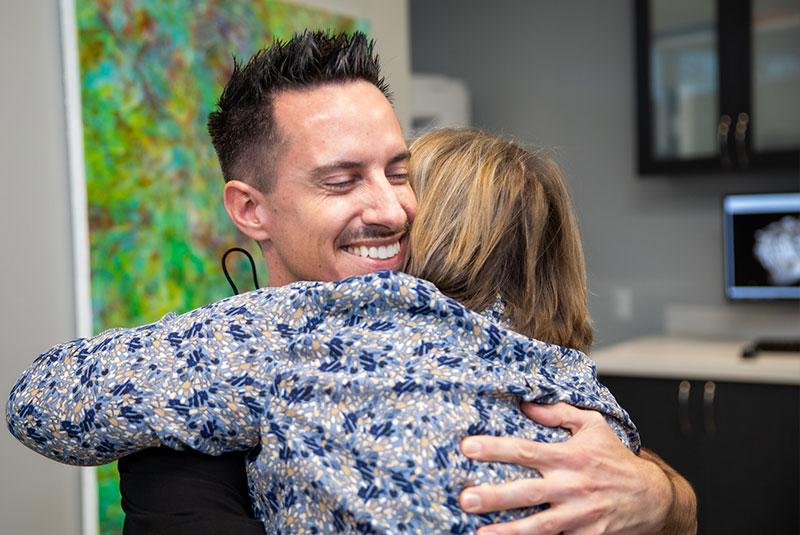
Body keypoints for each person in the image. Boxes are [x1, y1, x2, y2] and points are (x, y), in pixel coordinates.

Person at [6, 31, 695, 535]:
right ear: (251, 209)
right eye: (341, 181)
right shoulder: (221, 367)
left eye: (400, 172)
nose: (393, 209)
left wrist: (661, 495)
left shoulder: (504, 351)